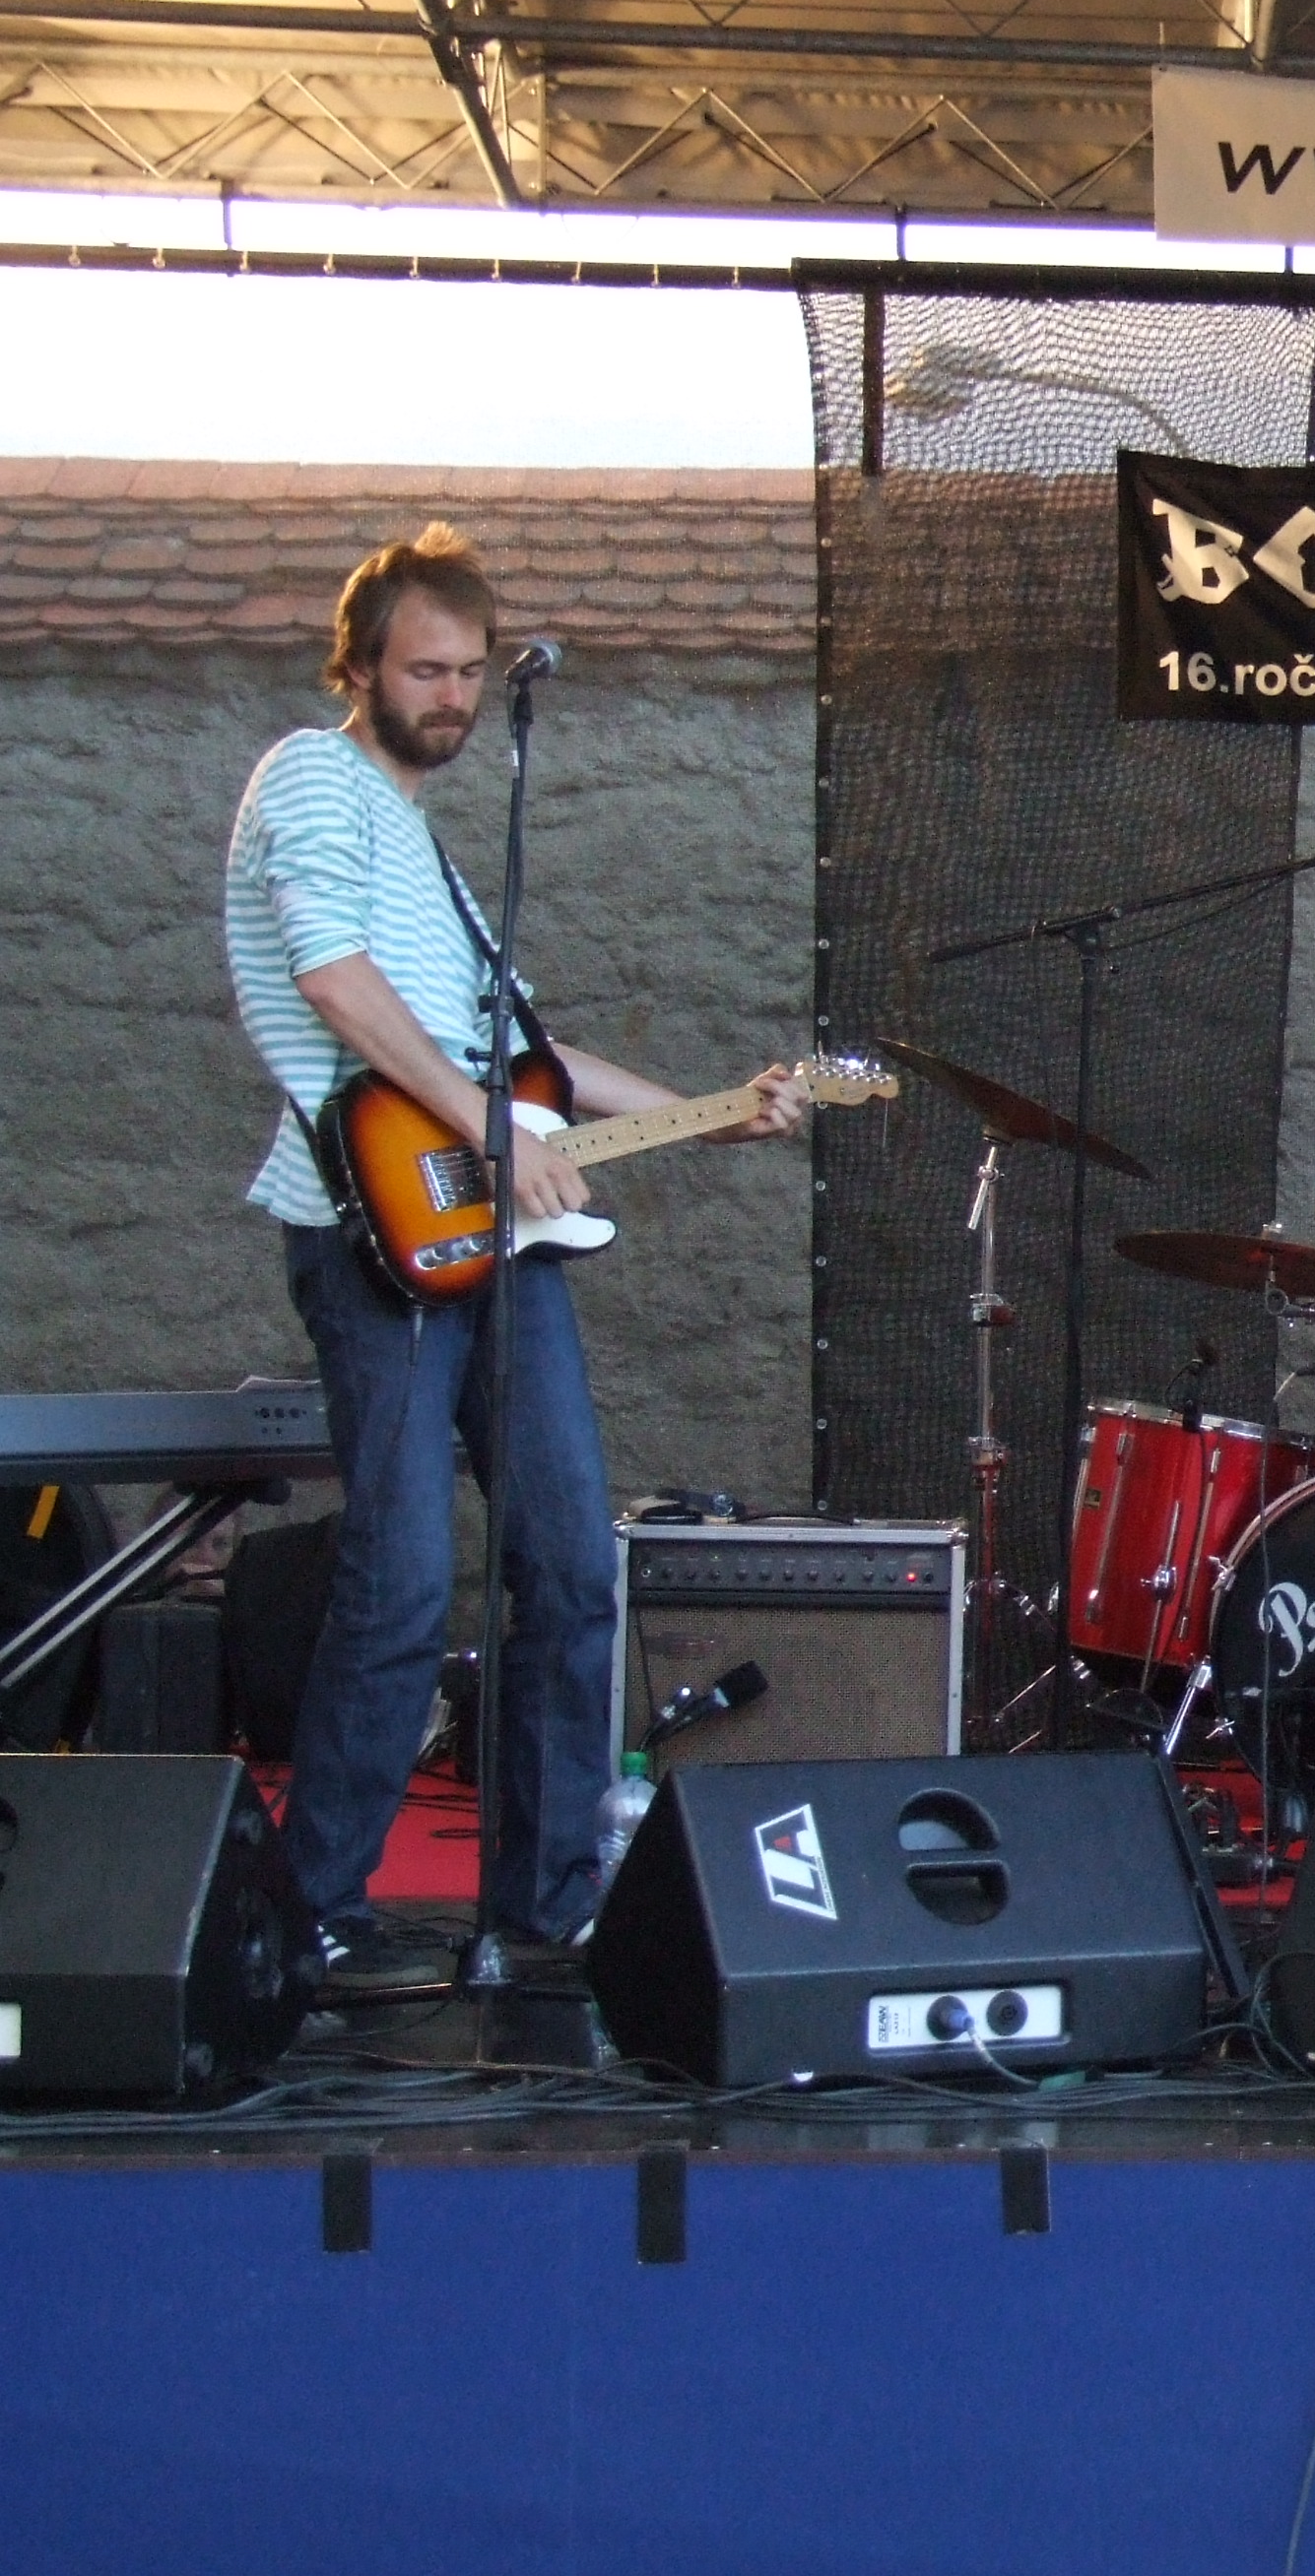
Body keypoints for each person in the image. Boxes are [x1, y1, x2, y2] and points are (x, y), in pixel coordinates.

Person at [223, 525, 805, 1993]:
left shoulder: (431, 857)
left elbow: (532, 1060)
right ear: (359, 667)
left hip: (499, 1236)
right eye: (425, 669)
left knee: (567, 1560)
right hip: (376, 1230)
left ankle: (547, 1902)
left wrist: (710, 1110)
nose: (453, 696)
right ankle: (309, 1911)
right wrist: (483, 1124)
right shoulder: (311, 778)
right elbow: (330, 979)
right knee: (404, 1577)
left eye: (471, 672)